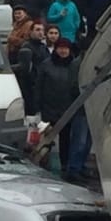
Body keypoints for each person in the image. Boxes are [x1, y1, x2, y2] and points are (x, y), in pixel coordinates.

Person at [33, 37, 82, 178]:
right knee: (47, 138)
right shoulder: (46, 65)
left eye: (66, 48)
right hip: (49, 107)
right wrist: (37, 106)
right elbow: (38, 86)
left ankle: (65, 165)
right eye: (60, 48)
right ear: (56, 49)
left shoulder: (74, 66)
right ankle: (42, 163)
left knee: (66, 139)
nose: (63, 51)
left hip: (67, 108)